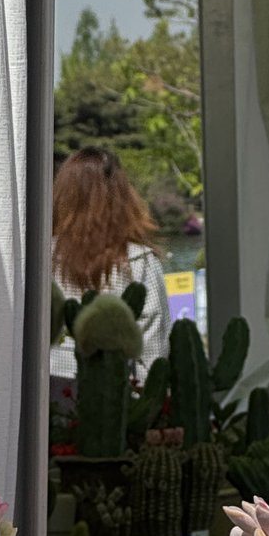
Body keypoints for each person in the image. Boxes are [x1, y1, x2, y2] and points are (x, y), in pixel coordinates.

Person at [51, 146, 170, 380]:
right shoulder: (139, 261)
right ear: (122, 196)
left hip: (48, 398)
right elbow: (153, 349)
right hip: (116, 401)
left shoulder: (41, 258)